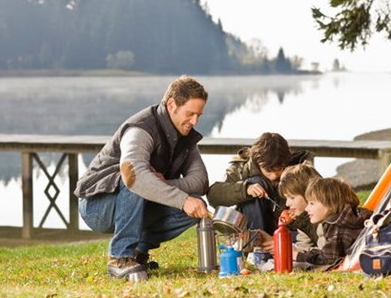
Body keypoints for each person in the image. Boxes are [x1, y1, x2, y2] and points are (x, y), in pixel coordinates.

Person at [74, 76, 210, 279]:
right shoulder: (142, 128)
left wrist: (163, 184)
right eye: (190, 114)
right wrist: (179, 198)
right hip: (97, 205)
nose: (195, 121)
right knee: (135, 178)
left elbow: (200, 181)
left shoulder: (185, 136)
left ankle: (138, 254)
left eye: (199, 115)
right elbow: (133, 175)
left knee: (196, 204)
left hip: (136, 202)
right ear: (172, 104)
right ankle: (119, 257)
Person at [207, 132, 313, 235]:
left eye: (279, 169)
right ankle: (256, 243)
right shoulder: (242, 169)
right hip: (256, 227)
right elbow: (213, 196)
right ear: (257, 163)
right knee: (255, 182)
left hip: (292, 230)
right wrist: (245, 189)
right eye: (268, 171)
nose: (274, 176)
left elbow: (319, 201)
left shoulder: (300, 169)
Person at [293, 177, 373, 267]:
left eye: (312, 203)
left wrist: (299, 256)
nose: (307, 209)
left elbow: (329, 259)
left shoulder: (334, 223)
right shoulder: (354, 215)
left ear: (330, 204)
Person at [277, 161, 322, 250]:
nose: (287, 203)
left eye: (292, 197)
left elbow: (326, 254)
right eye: (286, 198)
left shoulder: (326, 220)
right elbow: (304, 247)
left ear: (309, 194)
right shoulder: (303, 218)